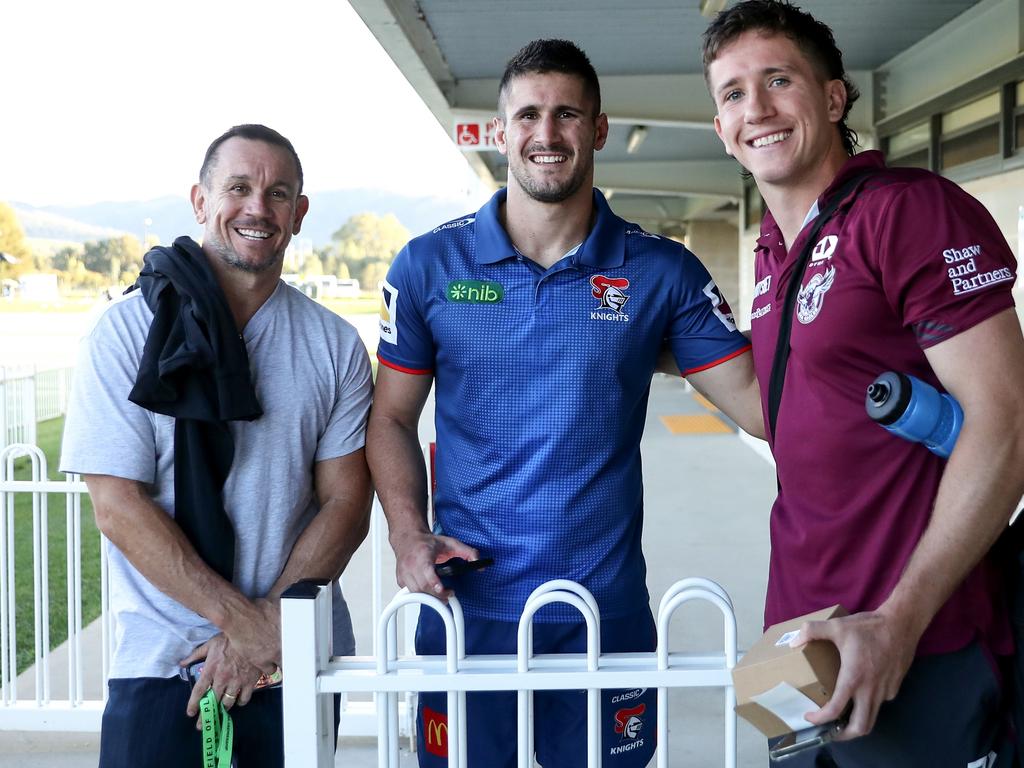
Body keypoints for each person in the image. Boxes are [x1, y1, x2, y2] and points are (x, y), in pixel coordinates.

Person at [367, 38, 763, 768]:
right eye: (528, 116)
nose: (546, 134)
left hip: (603, 612)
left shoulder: (660, 271)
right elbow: (390, 417)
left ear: (599, 129)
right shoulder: (429, 266)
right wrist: (405, 532)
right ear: (502, 130)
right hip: (469, 611)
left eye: (567, 115)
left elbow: (762, 406)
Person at [702, 2, 1024, 764]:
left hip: (916, 640)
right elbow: (781, 412)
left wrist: (897, 623)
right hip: (798, 644)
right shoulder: (776, 252)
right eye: (734, 94)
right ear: (721, 129)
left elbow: (1007, 423)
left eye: (778, 80)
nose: (758, 109)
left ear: (835, 98)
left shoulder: (907, 211)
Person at [59, 124, 374, 768]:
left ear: (299, 213)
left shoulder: (334, 344)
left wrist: (270, 628)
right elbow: (118, 506)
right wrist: (243, 623)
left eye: (278, 192)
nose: (257, 207)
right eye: (238, 188)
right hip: (162, 662)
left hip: (295, 661)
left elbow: (345, 503)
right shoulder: (124, 336)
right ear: (201, 202)